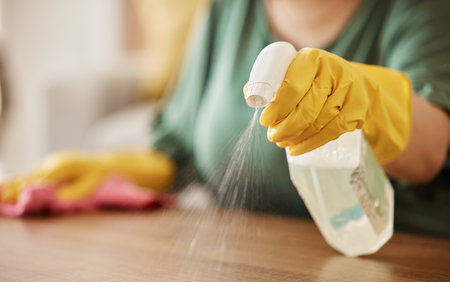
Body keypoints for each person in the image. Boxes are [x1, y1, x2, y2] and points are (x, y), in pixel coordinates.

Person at [151, 0, 450, 238]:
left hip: (400, 266)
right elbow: (178, 139)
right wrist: (134, 173)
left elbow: (432, 146)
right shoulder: (229, 7)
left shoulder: (420, 8)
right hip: (257, 266)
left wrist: (366, 103)